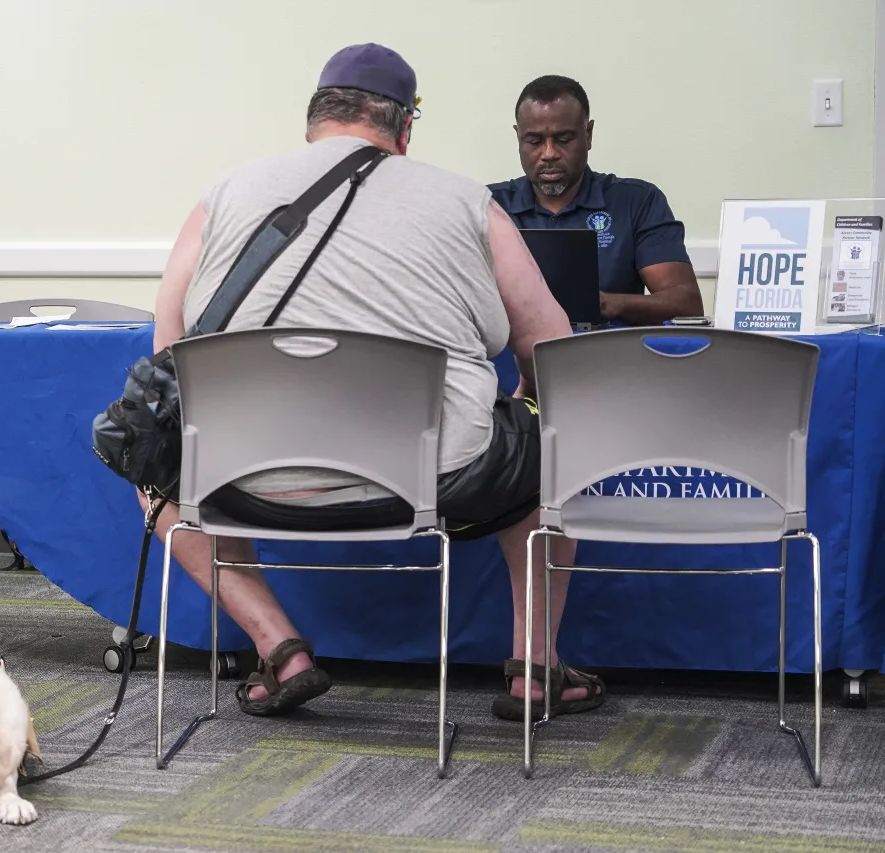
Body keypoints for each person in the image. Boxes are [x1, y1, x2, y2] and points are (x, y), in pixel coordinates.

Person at [148, 44, 604, 721]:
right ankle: (534, 669)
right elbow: (553, 349)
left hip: (247, 478)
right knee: (554, 440)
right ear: (405, 129)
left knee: (152, 463)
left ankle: (279, 648)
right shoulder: (466, 201)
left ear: (314, 121)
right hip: (428, 482)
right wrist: (523, 399)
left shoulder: (219, 197)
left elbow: (169, 353)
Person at [489, 75, 703, 326]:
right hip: (513, 359)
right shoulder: (489, 205)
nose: (548, 154)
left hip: (608, 356)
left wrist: (610, 304)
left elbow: (686, 302)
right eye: (535, 141)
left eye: (564, 139)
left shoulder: (637, 201)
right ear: (518, 138)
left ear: (588, 134)